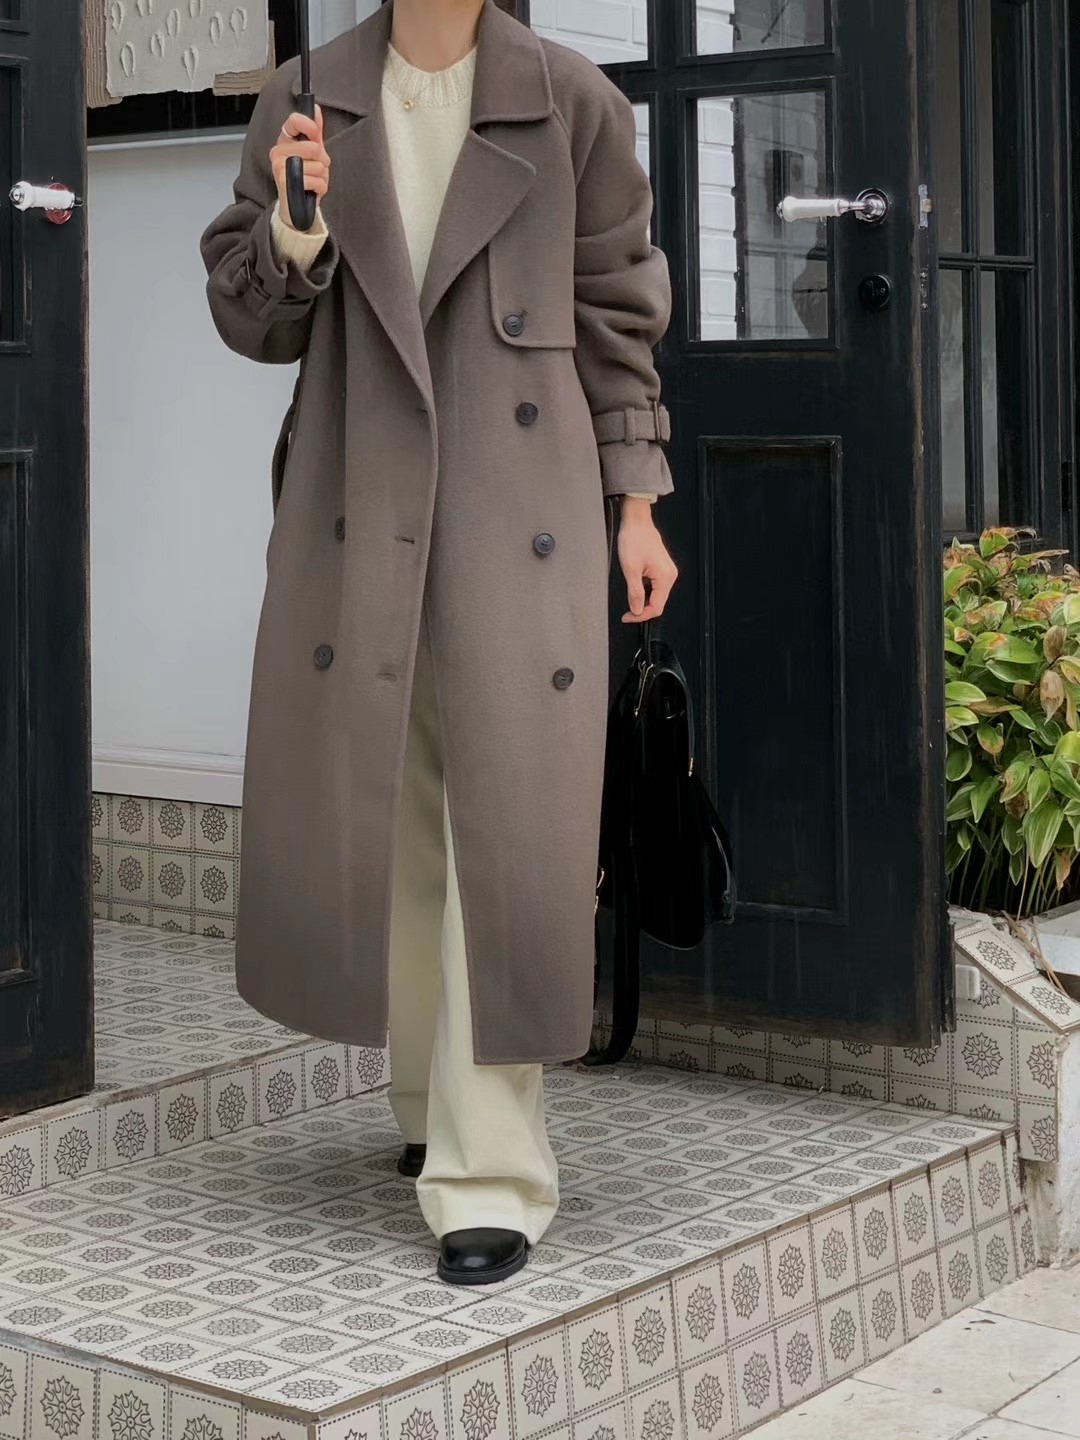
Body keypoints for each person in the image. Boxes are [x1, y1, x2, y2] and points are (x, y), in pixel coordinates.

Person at [200, 0, 677, 1286]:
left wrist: (637, 501)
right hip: (360, 503)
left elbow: (617, 305)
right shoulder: (306, 95)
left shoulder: (571, 100)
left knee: (502, 824)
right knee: (392, 805)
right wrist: (295, 226)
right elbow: (252, 323)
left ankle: (492, 1170)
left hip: (520, 504)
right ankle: (428, 1106)